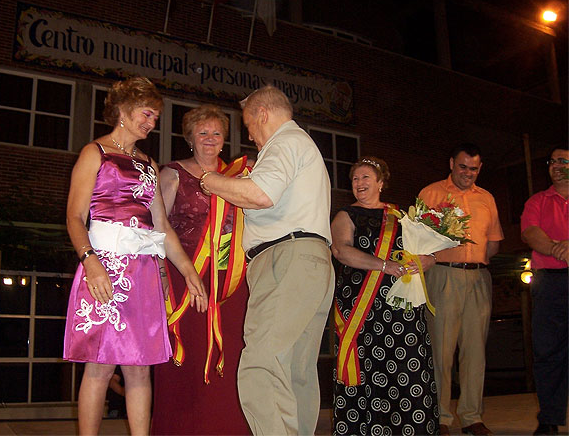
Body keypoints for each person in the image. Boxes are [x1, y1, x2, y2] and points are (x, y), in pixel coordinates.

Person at [63, 77, 207, 436]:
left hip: (142, 272)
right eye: (147, 114)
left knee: (140, 366)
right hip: (105, 267)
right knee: (99, 365)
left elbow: (161, 227)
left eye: (155, 117)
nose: (152, 123)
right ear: (124, 111)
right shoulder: (93, 152)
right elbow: (74, 217)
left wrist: (188, 270)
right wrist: (90, 261)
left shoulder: (148, 164)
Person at [199, 85, 335, 436]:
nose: (248, 134)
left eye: (248, 124)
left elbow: (261, 194)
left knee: (261, 365)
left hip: (285, 259)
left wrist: (210, 180)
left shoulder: (284, 142)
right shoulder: (302, 145)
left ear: (262, 113)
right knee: (296, 372)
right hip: (312, 260)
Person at [151, 105, 250, 435]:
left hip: (232, 283)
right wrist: (163, 278)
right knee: (189, 359)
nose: (210, 138)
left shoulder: (237, 177)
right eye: (203, 132)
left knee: (233, 358)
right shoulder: (172, 174)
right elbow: (156, 229)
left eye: (217, 133)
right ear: (190, 137)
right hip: (186, 278)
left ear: (224, 140)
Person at [331, 156, 439, 435]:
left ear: (381, 183)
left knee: (408, 365)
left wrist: (428, 260)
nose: (359, 183)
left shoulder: (401, 216)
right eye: (355, 179)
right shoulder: (345, 214)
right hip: (362, 305)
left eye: (366, 177)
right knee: (367, 366)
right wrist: (384, 266)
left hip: (401, 303)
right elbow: (341, 251)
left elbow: (425, 251)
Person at [419, 143, 504, 436]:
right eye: (463, 167)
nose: (468, 173)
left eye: (474, 169)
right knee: (441, 350)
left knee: (475, 350)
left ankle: (471, 416)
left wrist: (474, 259)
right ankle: (440, 417)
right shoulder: (430, 194)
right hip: (443, 276)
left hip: (478, 277)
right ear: (452, 163)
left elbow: (493, 243)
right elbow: (417, 239)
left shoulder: (487, 199)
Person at [521, 146, 569, 436]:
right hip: (549, 282)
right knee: (548, 351)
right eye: (552, 161)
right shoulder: (537, 200)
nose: (556, 165)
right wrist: (557, 250)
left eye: (563, 161)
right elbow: (530, 232)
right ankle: (549, 418)